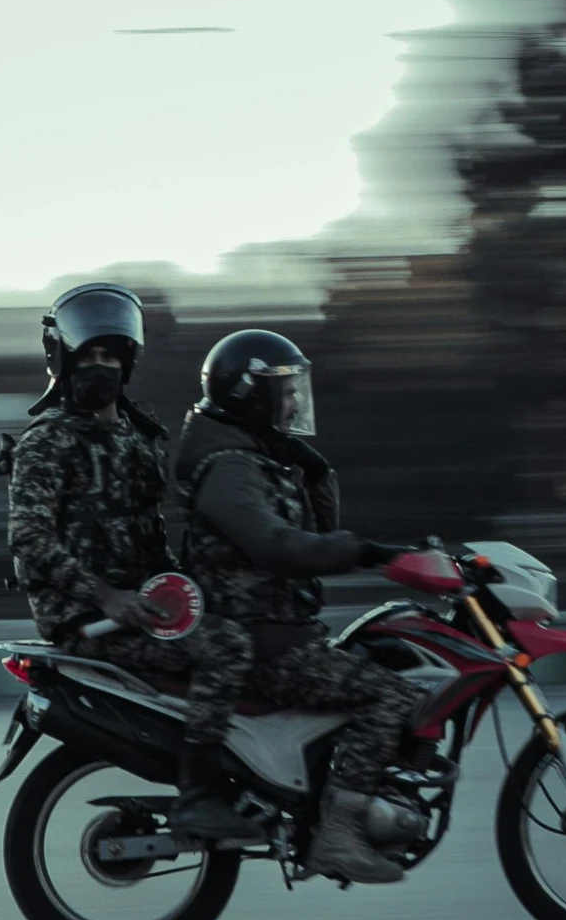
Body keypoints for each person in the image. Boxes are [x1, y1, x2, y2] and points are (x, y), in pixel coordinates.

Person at [4, 283, 262, 845]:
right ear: (65, 362)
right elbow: (29, 539)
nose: (101, 367)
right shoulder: (46, 442)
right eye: (89, 356)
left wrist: (186, 590)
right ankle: (198, 799)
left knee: (249, 629)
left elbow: (151, 538)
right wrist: (106, 598)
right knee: (227, 649)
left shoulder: (138, 440)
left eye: (111, 357)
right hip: (89, 620)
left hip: (138, 607)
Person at [172, 328, 425, 884]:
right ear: (248, 393)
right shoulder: (229, 468)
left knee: (387, 658)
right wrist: (366, 552)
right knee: (390, 698)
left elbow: (315, 529)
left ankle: (346, 793)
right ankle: (337, 837)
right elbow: (279, 547)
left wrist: (311, 468)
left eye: (293, 390)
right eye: (282, 391)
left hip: (287, 629)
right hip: (260, 639)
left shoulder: (261, 460)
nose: (292, 402)